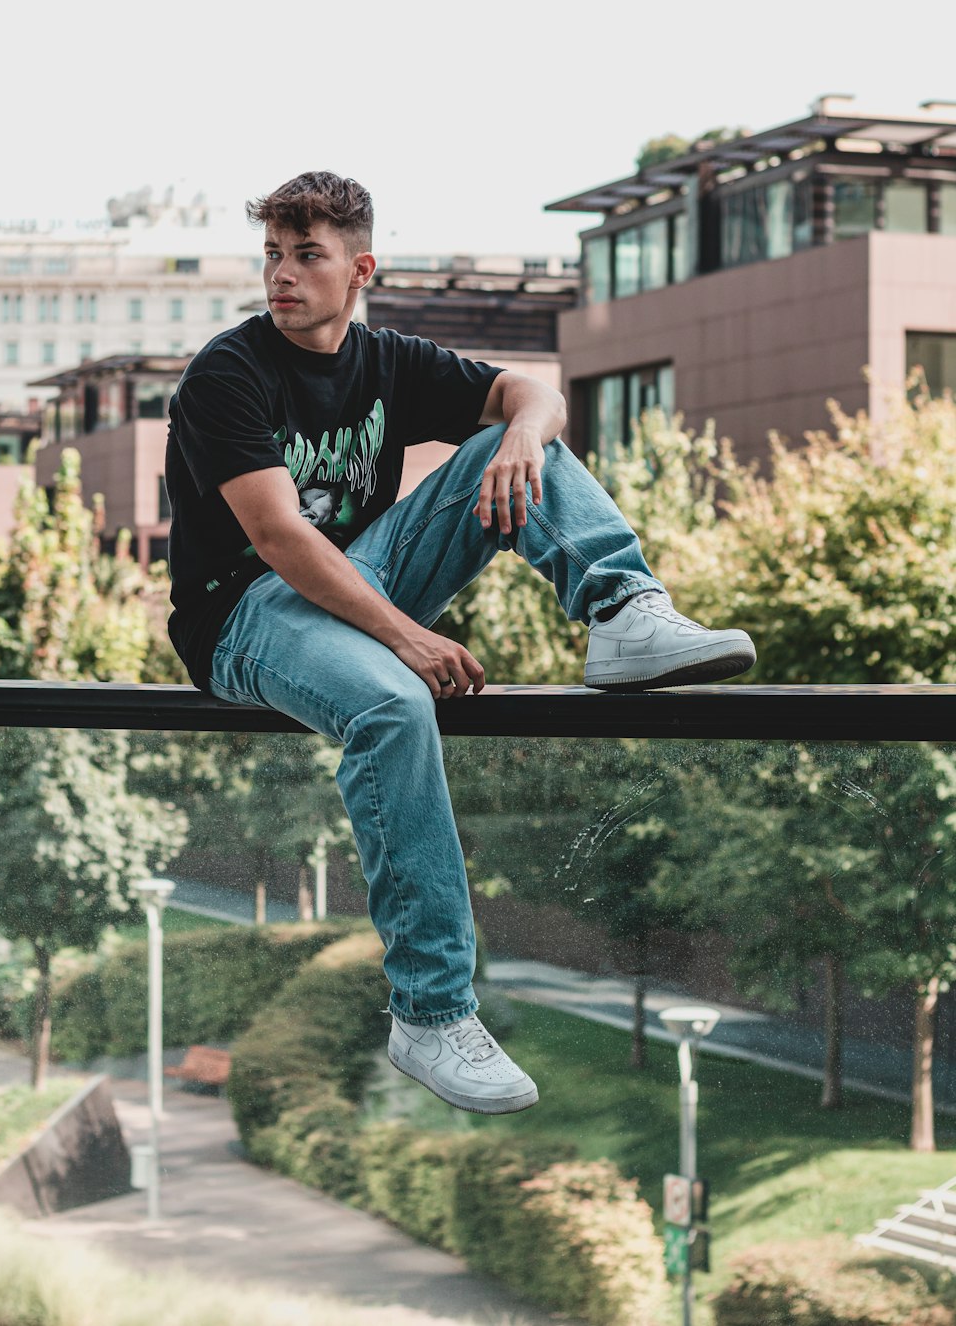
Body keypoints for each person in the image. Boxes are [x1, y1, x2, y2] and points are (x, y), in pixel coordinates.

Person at [165, 171, 755, 1116]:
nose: (282, 274)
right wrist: (407, 638)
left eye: (306, 255)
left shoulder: (389, 361)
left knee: (521, 445)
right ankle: (431, 1016)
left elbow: (538, 392)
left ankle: (623, 613)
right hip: (245, 615)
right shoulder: (226, 374)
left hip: (356, 581)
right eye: (272, 254)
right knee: (393, 705)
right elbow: (278, 538)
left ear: (359, 269)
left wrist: (522, 437)